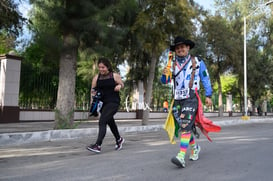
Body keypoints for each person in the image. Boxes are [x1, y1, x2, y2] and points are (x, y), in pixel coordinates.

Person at [161, 36, 213, 168]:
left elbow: (205, 78)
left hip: (191, 97)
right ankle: (195, 147)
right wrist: (164, 74)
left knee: (185, 125)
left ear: (188, 48)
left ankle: (181, 156)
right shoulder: (171, 64)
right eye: (177, 48)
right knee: (185, 126)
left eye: (182, 47)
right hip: (177, 99)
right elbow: (165, 81)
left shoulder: (198, 62)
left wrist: (208, 95)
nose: (180, 49)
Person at [86, 57, 124, 153]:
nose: (101, 69)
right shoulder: (96, 78)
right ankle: (119, 139)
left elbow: (122, 84)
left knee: (102, 121)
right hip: (102, 104)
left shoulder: (114, 76)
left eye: (103, 67)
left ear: (108, 67)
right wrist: (93, 102)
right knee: (110, 122)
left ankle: (97, 145)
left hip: (113, 102)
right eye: (99, 67)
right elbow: (92, 90)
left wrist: (119, 86)